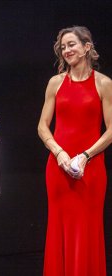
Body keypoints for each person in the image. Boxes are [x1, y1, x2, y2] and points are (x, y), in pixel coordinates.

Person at [37, 26, 112, 275]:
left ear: (86, 47)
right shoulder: (55, 83)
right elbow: (42, 126)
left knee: (87, 228)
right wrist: (59, 152)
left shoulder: (104, 84)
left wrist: (86, 155)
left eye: (72, 44)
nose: (66, 50)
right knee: (59, 228)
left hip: (91, 168)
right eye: (63, 46)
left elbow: (111, 129)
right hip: (58, 168)